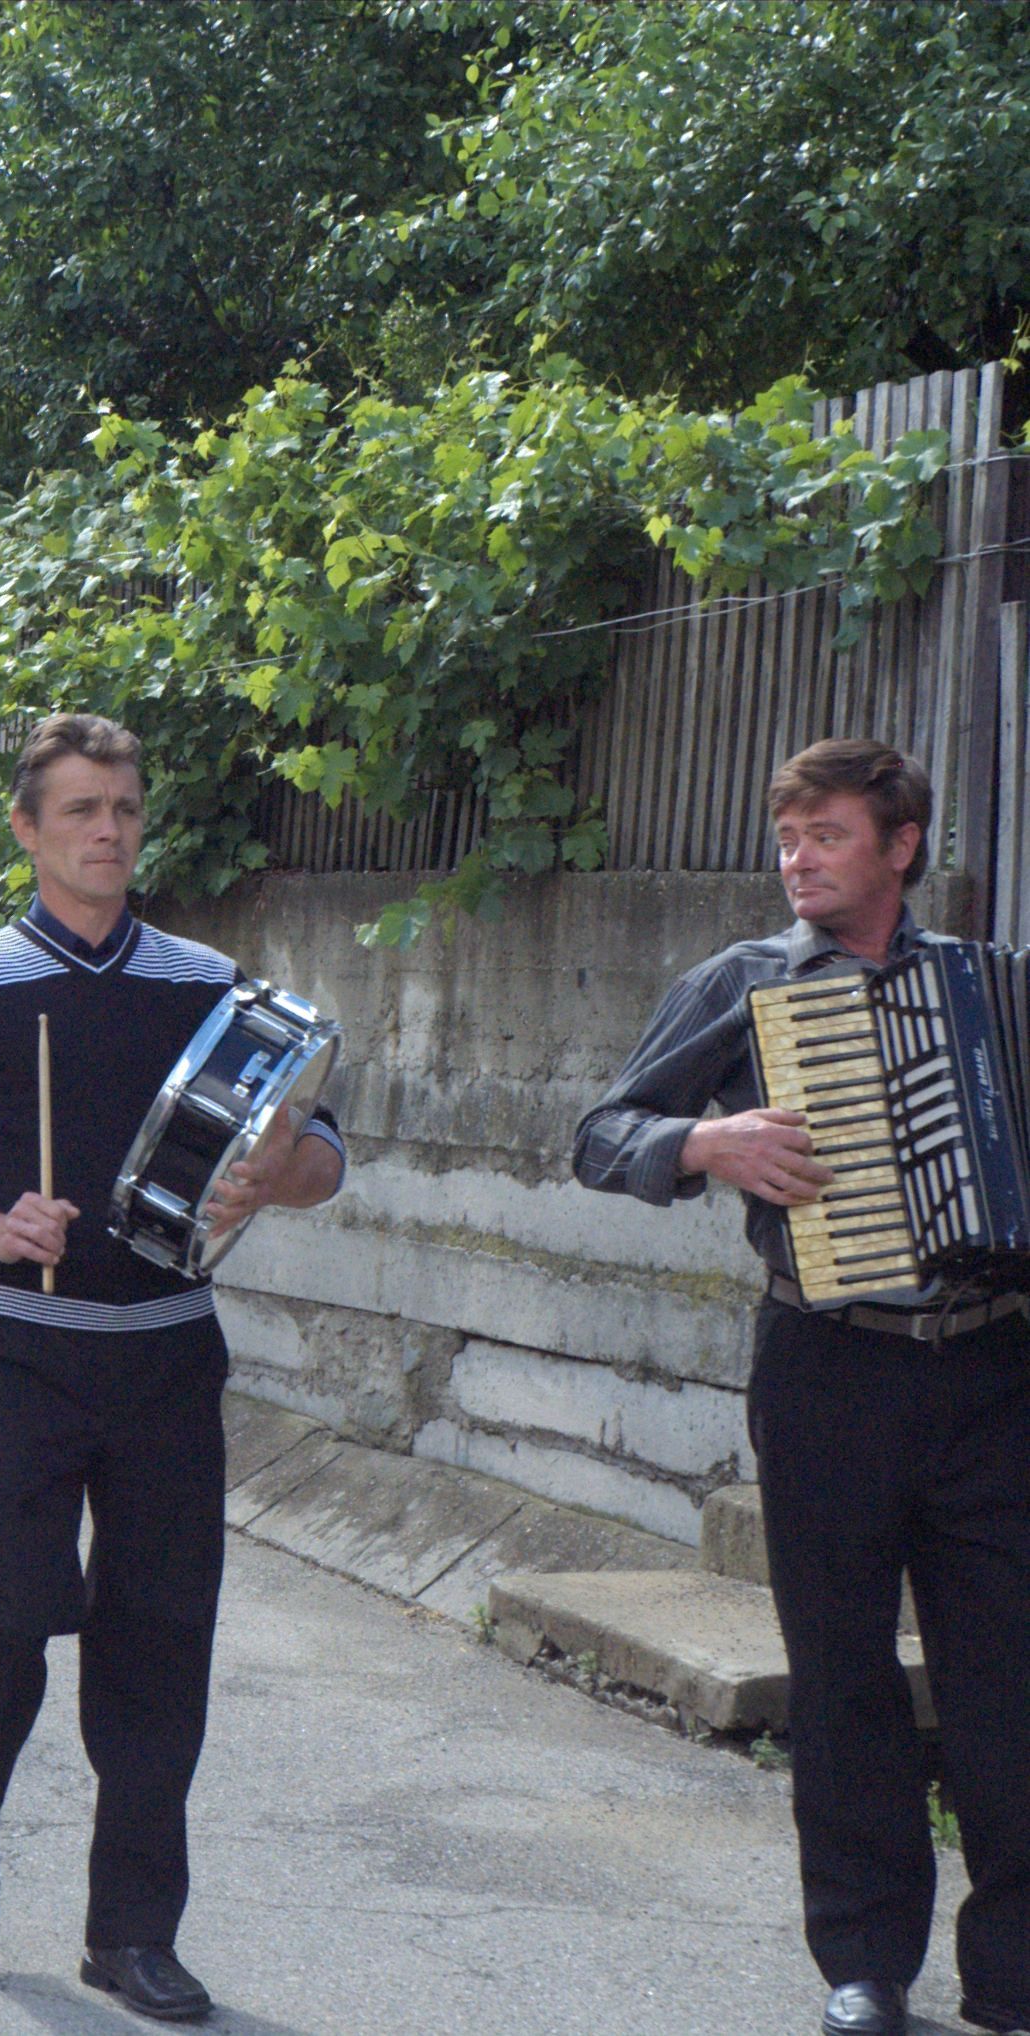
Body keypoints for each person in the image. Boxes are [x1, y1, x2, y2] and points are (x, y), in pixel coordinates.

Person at [0, 712, 346, 2025]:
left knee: (161, 1641)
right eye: (79, 809)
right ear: (27, 828)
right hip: (23, 1347)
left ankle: (131, 1934)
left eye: (122, 807)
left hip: (169, 1352)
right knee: (13, 1606)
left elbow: (322, 1145)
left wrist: (279, 1173)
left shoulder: (210, 985)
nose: (107, 830)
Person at [573, 738, 1026, 2036]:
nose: (797, 860)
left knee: (1008, 1679)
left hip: (992, 1366)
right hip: (826, 1363)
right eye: (787, 837)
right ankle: (865, 1964)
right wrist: (703, 1140)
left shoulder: (988, 984)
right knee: (839, 1677)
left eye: (826, 835)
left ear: (900, 847)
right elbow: (601, 1135)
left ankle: (1013, 1973)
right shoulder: (745, 982)